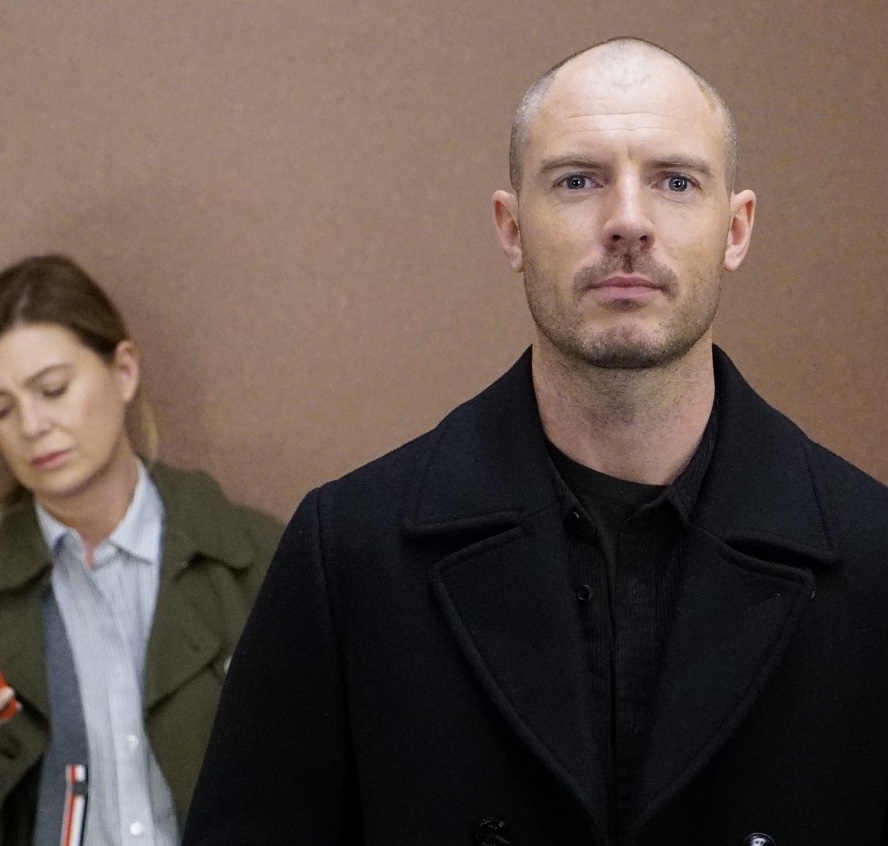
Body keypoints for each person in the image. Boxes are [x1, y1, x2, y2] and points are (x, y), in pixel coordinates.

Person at [181, 37, 888, 846]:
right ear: (511, 227)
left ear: (736, 229)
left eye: (676, 181)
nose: (628, 222)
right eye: (578, 180)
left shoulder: (874, 560)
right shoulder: (349, 552)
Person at [0, 254, 283, 846]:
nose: (32, 425)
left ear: (123, 371)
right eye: (0, 409)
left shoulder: (258, 560)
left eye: (52, 389)